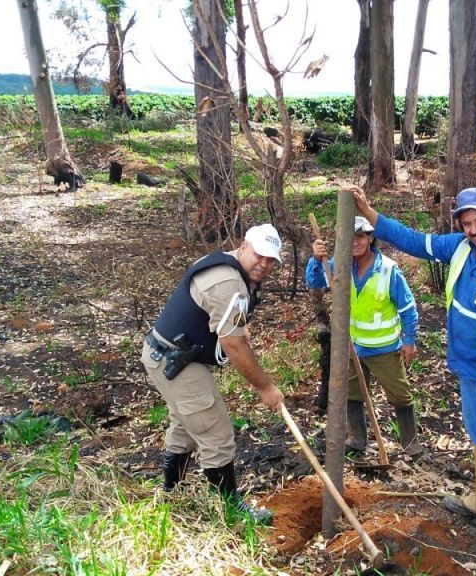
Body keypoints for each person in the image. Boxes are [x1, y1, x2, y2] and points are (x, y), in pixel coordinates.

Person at [352, 187, 476, 562]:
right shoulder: (460, 248)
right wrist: (369, 213)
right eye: (467, 223)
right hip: (468, 368)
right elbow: (413, 241)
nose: (474, 230)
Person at [140, 224, 285, 525]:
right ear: (244, 246)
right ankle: (232, 512)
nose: (265, 264)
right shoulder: (227, 282)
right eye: (260, 255)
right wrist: (265, 387)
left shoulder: (229, 267)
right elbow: (233, 343)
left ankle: (170, 492)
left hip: (167, 355)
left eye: (272, 260)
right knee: (216, 434)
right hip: (176, 362)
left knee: (185, 425)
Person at [305, 216, 423, 456]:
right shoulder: (340, 264)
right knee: (352, 393)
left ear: (370, 238)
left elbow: (408, 308)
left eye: (360, 236)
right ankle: (357, 438)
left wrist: (409, 340)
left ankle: (410, 443)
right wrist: (317, 259)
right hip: (352, 346)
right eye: (350, 237)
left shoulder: (389, 270)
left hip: (384, 348)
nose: (355, 242)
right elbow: (314, 280)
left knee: (400, 395)